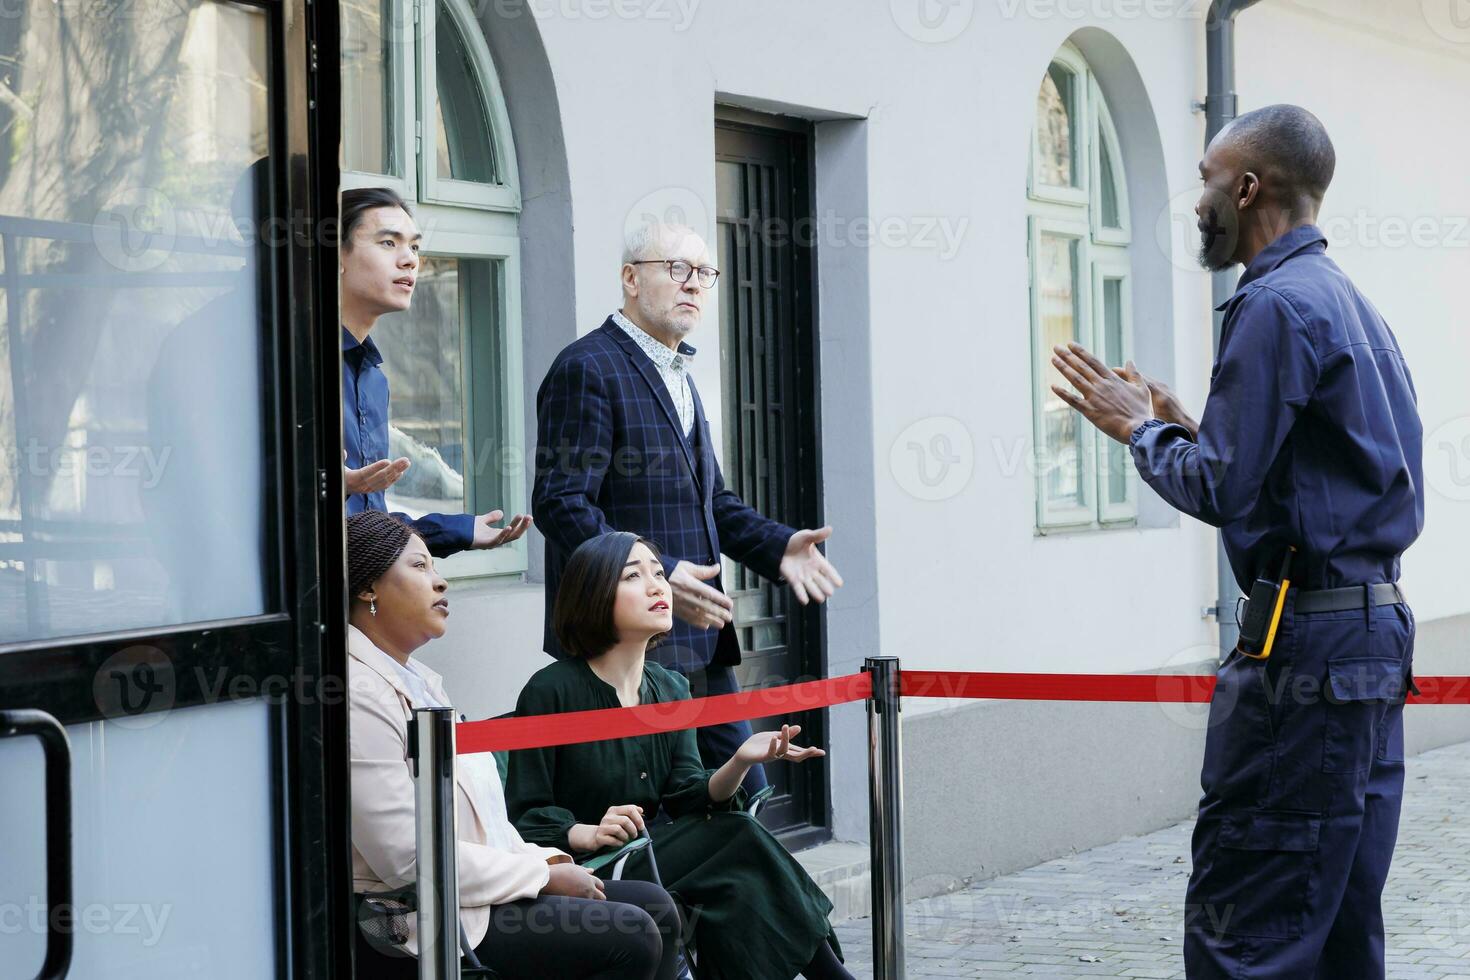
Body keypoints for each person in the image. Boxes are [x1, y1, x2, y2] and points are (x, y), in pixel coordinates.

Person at [1052, 105, 1422, 979]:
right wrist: (1188, 424)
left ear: (1248, 187)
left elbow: (1221, 487)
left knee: (1251, 920)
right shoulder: (1350, 304)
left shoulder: (1273, 304)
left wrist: (1140, 430)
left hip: (1309, 654)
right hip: (1367, 644)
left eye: (1208, 181)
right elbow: (1314, 474)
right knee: (1334, 922)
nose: (1197, 202)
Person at [532, 220, 844, 792]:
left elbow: (713, 503)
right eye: (677, 269)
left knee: (742, 801)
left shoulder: (678, 373)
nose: (694, 284)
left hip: (700, 641)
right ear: (630, 278)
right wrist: (655, 575)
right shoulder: (588, 368)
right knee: (654, 821)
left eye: (704, 273)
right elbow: (561, 505)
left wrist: (777, 545)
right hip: (624, 649)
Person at [345, 510, 684, 980]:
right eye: (420, 567)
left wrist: (545, 861)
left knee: (657, 907)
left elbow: (487, 826)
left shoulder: (421, 681)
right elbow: (405, 856)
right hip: (413, 918)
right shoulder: (358, 692)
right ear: (367, 588)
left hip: (473, 892)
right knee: (633, 933)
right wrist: (544, 877)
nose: (441, 583)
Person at [506, 531, 853, 980]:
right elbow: (522, 815)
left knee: (739, 880)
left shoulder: (671, 688)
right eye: (634, 575)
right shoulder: (551, 690)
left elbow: (687, 794)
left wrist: (741, 761)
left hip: (652, 854)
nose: (657, 585)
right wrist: (585, 831)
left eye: (658, 572)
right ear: (593, 593)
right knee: (739, 839)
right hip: (588, 869)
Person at [340, 186, 532, 558]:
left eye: (414, 246)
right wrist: (336, 485)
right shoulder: (301, 367)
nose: (410, 260)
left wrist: (459, 530)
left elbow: (370, 525)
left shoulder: (373, 379)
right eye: (388, 243)